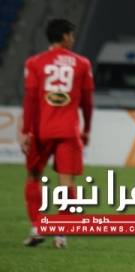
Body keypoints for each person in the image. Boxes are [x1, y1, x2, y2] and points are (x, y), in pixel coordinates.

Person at [20, 19, 94, 248]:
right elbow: (87, 102)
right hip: (68, 130)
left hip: (41, 130)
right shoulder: (82, 63)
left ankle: (37, 227)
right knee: (67, 183)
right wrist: (87, 128)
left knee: (34, 176)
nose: (73, 39)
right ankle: (60, 233)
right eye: (71, 35)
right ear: (64, 36)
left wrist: (25, 130)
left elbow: (31, 99)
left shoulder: (35, 62)